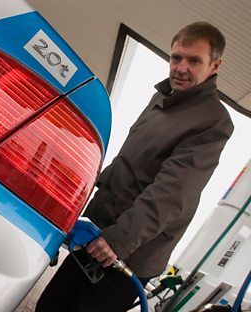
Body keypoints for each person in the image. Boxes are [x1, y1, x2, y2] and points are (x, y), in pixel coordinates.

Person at [36, 21, 234, 312]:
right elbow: (128, 160)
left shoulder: (213, 121)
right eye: (176, 57)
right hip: (102, 233)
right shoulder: (162, 98)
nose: (180, 67)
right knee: (51, 305)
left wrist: (120, 240)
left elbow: (172, 192)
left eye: (194, 61)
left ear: (214, 65)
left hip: (128, 251)